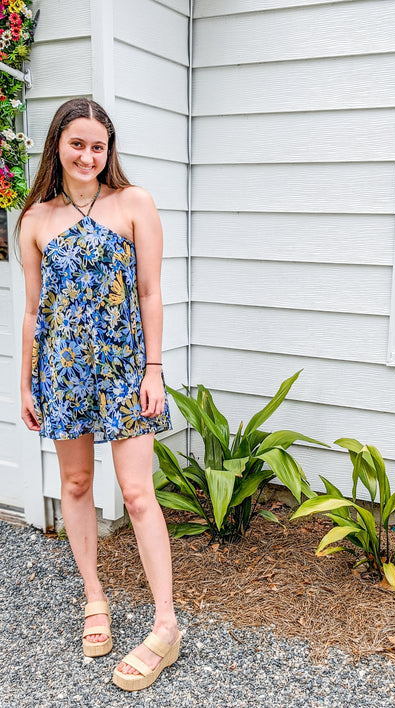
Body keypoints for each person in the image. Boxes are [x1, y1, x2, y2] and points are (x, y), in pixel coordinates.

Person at [18, 97, 181, 691]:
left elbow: (150, 294)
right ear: (57, 146)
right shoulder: (34, 218)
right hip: (62, 371)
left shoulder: (133, 203)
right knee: (77, 485)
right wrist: (25, 377)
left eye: (98, 144)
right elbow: (35, 308)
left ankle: (166, 625)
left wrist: (154, 369)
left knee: (138, 494)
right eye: (77, 143)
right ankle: (94, 597)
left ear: (109, 149)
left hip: (122, 368)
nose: (88, 155)